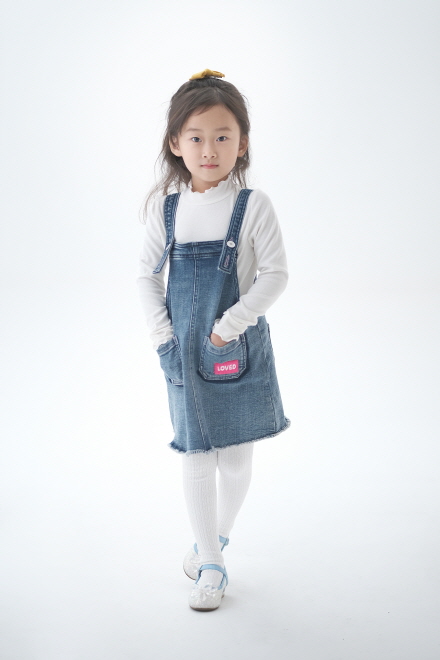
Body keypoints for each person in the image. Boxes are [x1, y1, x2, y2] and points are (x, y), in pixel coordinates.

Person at [136, 69, 290, 611]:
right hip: (182, 351)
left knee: (238, 457)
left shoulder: (253, 205)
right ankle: (211, 564)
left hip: (237, 347)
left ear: (242, 142)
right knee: (196, 453)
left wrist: (229, 326)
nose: (209, 149)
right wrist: (163, 337)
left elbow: (275, 275)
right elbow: (145, 276)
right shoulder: (168, 209)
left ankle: (216, 537)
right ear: (176, 143)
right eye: (196, 137)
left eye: (223, 136)